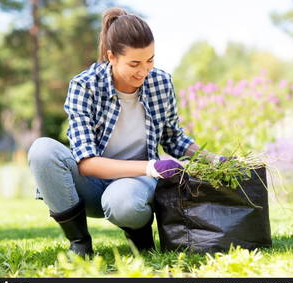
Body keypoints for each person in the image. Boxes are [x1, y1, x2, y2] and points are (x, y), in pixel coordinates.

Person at [27, 7, 225, 257]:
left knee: (124, 204)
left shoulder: (160, 82)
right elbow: (86, 164)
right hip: (92, 183)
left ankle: (140, 238)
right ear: (112, 57)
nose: (144, 71)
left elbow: (173, 138)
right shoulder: (84, 86)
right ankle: (79, 243)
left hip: (133, 185)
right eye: (134, 63)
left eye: (150, 60)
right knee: (42, 150)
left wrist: (214, 160)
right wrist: (150, 167)